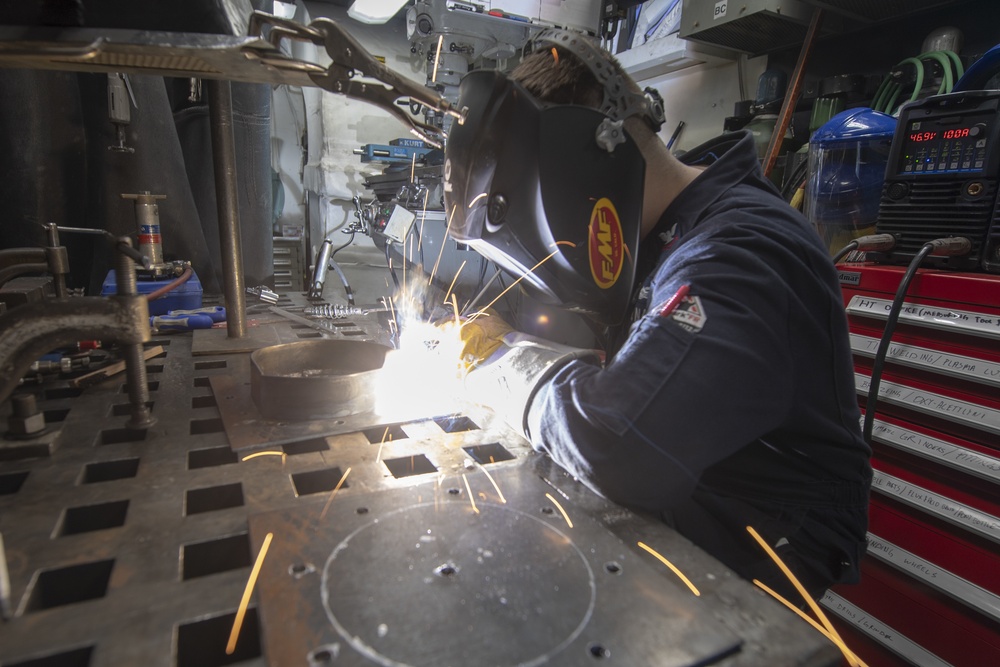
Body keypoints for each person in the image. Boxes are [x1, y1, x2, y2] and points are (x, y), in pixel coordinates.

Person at [443, 30, 872, 600]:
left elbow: (617, 445)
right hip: (698, 484)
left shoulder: (736, 252)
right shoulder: (662, 236)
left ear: (584, 155)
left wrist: (496, 361)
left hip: (770, 538)